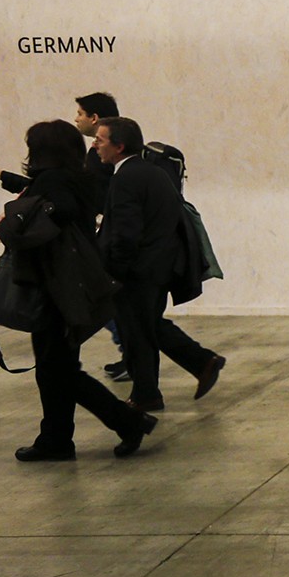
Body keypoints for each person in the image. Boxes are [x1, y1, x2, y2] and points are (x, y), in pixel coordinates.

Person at [0, 92, 226, 396]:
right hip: (155, 265)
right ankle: (155, 386)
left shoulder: (111, 172)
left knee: (136, 325)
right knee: (140, 325)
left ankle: (165, 383)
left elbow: (114, 225)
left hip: (134, 268)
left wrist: (113, 271)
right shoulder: (145, 171)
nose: (80, 123)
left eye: (82, 114)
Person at [0, 121, 156, 460]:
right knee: (56, 369)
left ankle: (126, 422)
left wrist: (14, 224)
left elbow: (56, 212)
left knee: (58, 370)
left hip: (55, 286)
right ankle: (55, 439)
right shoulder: (76, 178)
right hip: (69, 284)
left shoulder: (53, 181)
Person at [94, 116, 184, 413]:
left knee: (137, 337)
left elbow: (125, 233)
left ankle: (145, 394)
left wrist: (115, 272)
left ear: (118, 146)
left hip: (135, 274)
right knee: (144, 334)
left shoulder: (125, 178)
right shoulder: (151, 173)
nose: (95, 145)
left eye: (101, 140)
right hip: (155, 270)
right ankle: (147, 393)